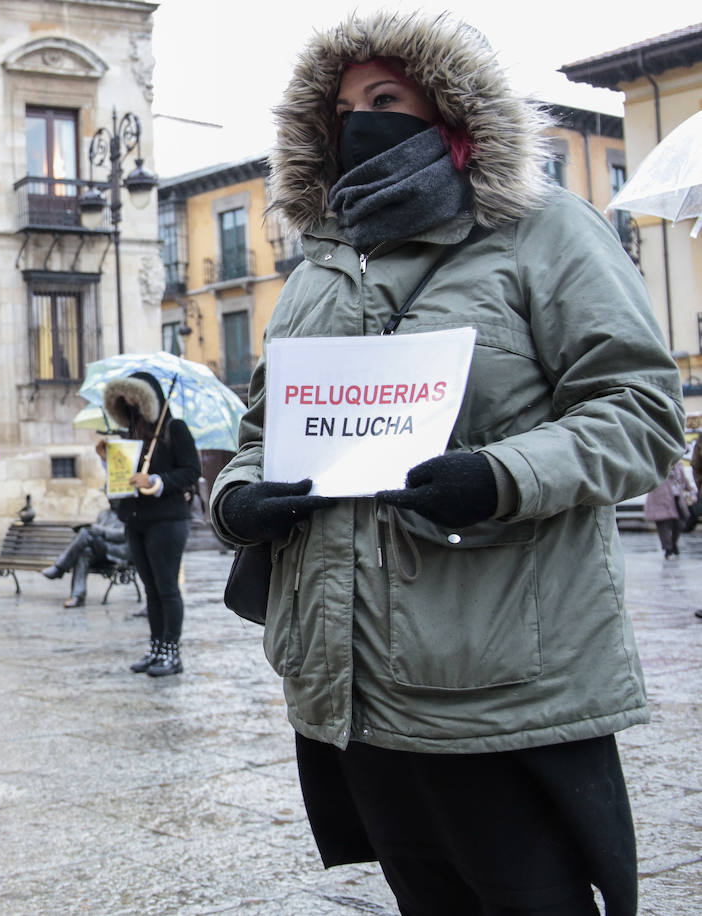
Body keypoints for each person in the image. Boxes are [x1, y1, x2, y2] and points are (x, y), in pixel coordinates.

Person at [208, 12, 685, 913]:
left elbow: (642, 412)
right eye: (343, 110)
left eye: (385, 98)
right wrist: (239, 501)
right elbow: (260, 433)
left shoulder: (544, 231)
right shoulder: (320, 266)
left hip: (498, 676)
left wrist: (499, 476)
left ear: (452, 109)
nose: (361, 123)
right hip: (349, 684)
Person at [99, 372, 200, 676]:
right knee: (151, 588)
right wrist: (108, 460)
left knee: (167, 587)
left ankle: (172, 651)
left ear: (149, 399)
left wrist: (156, 481)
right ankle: (156, 647)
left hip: (168, 520)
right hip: (136, 519)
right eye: (125, 399)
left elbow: (191, 471)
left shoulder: (173, 428)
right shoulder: (129, 434)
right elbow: (123, 480)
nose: (130, 403)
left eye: (135, 397)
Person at [41, 506, 130, 608]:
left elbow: (124, 534)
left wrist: (102, 531)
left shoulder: (128, 512)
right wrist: (95, 530)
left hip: (116, 551)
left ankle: (59, 568)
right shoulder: (104, 513)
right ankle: (78, 596)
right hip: (100, 550)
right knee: (84, 552)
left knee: (86, 532)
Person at [644, 456, 695, 558]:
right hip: (659, 499)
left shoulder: (678, 466)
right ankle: (668, 548)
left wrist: (691, 490)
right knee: (663, 525)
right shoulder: (656, 464)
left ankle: (673, 544)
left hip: (676, 499)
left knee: (680, 523)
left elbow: (684, 481)